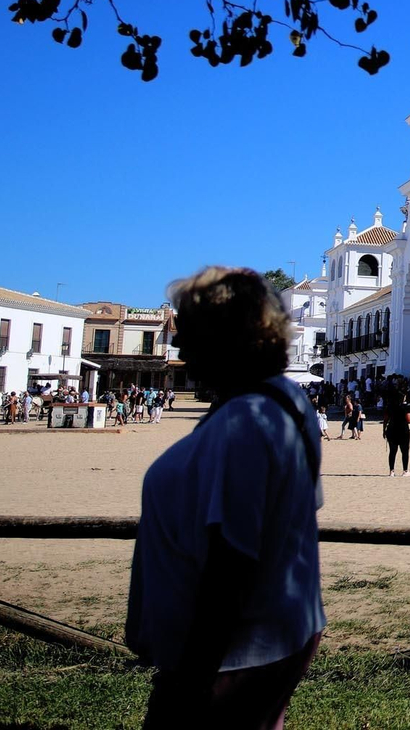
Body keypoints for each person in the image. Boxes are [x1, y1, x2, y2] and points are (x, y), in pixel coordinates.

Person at [126, 267, 323, 728]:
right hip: (272, 640)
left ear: (226, 336)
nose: (178, 343)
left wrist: (192, 678)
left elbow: (232, 562)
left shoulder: (246, 424)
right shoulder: (286, 401)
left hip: (233, 658)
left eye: (188, 329)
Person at [384, 381, 410, 476]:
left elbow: (385, 419)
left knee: (392, 451)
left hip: (392, 428)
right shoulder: (405, 407)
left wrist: (384, 430)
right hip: (403, 429)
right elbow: (409, 420)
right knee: (404, 451)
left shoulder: (390, 406)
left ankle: (391, 471)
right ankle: (405, 470)